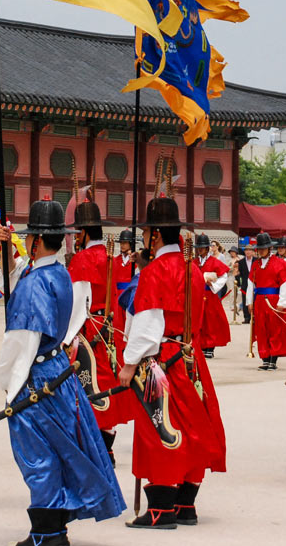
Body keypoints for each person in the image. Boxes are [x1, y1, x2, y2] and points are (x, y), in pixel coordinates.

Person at [0, 200, 125, 546]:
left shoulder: (35, 283)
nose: (25, 244)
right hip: (57, 369)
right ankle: (52, 526)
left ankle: (47, 532)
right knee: (57, 449)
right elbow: (17, 278)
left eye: (27, 239)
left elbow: (20, 340)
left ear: (36, 241)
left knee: (38, 453)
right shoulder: (58, 273)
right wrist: (7, 252)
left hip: (36, 376)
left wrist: (8, 384)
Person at [118, 197, 226, 528]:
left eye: (147, 232)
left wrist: (129, 362)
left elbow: (148, 325)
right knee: (193, 426)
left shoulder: (155, 271)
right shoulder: (192, 269)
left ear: (154, 236)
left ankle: (161, 506)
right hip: (189, 358)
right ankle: (186, 502)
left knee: (158, 427)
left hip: (162, 360)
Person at [67, 202, 134, 464]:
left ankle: (93, 446)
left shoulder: (82, 259)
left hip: (87, 331)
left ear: (83, 232)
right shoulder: (112, 258)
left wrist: (66, 336)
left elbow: (76, 302)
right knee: (108, 381)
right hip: (109, 329)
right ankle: (107, 444)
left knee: (88, 383)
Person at [247, 232, 286, 371]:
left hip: (273, 301)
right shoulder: (256, 265)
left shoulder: (278, 264)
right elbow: (250, 284)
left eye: (263, 248)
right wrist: (249, 302)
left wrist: (283, 303)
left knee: (274, 330)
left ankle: (273, 359)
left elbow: (285, 284)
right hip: (259, 301)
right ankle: (265, 358)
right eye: (259, 248)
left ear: (269, 248)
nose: (260, 251)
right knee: (261, 329)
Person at [195, 234, 231, 359]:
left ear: (207, 248)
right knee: (199, 321)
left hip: (210, 294)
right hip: (197, 296)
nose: (200, 250)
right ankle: (201, 345)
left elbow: (224, 276)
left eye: (202, 247)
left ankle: (210, 347)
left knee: (210, 321)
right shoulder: (194, 262)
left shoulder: (214, 262)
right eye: (198, 247)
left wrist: (214, 286)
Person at [111, 229, 137, 350]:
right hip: (117, 299)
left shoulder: (135, 262)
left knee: (131, 330)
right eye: (121, 242)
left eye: (125, 242)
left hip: (130, 297)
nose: (122, 245)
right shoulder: (115, 261)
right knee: (118, 330)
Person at [235, 243, 255, 323]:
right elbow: (239, 274)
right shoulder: (241, 262)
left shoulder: (256, 260)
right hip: (245, 284)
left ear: (253, 251)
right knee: (245, 301)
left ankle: (254, 317)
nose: (248, 252)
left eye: (250, 250)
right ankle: (247, 317)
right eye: (246, 250)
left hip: (255, 284)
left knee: (255, 301)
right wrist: (238, 283)